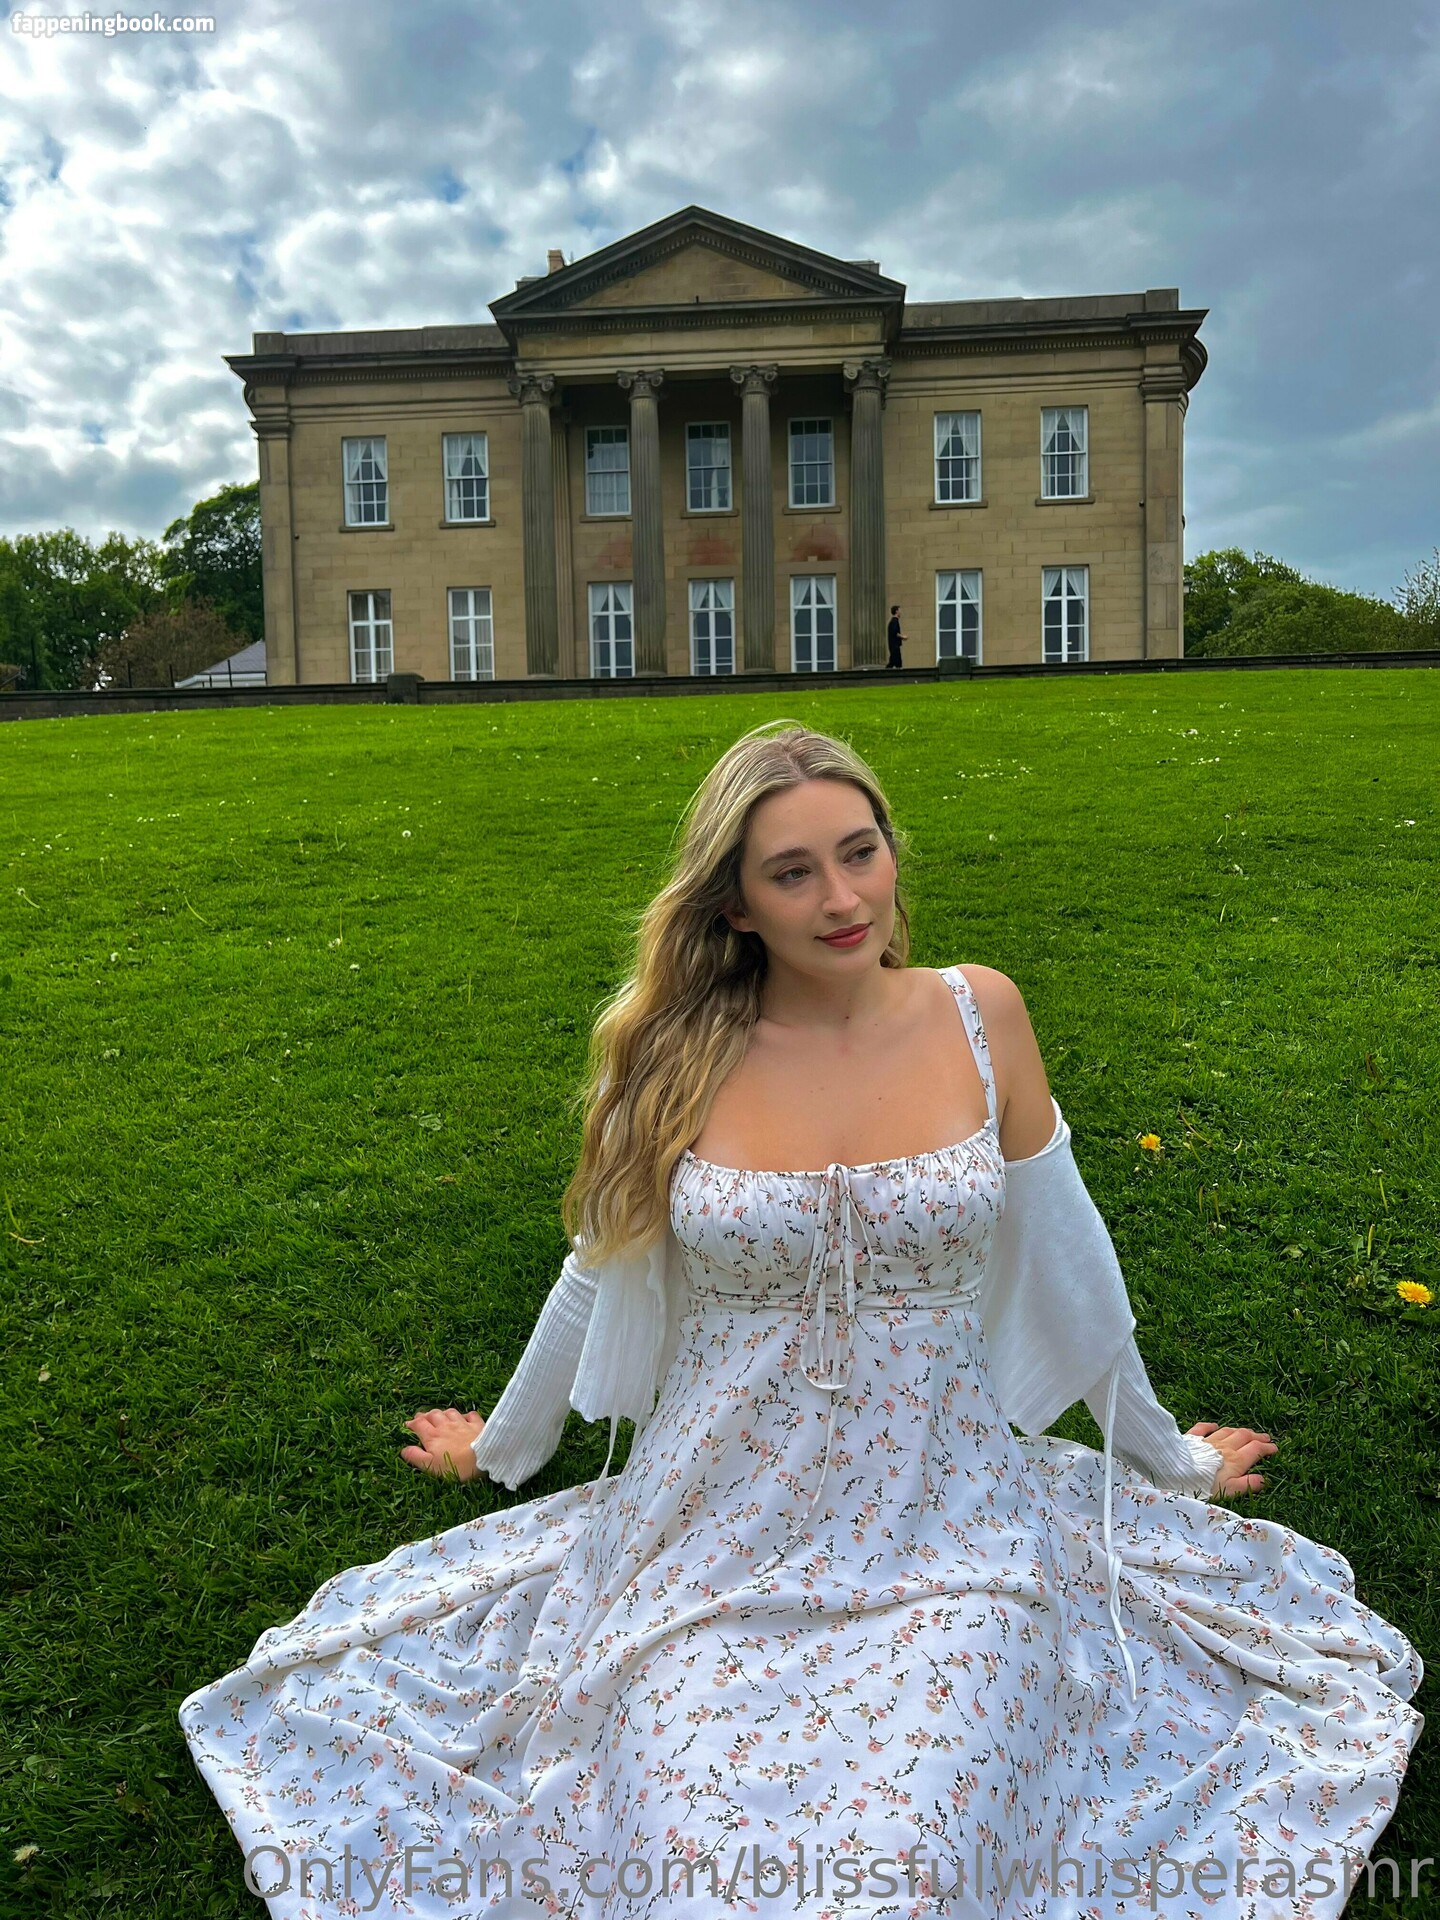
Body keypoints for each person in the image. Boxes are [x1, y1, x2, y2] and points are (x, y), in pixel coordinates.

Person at [179, 720, 1423, 1919]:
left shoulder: (981, 1015)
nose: (842, 898)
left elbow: (1070, 1260)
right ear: (735, 904)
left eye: (860, 852)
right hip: (710, 1531)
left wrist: (1171, 1462)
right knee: (693, 1850)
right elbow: (595, 1267)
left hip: (951, 1525)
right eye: (793, 872)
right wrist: (501, 1448)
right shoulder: (669, 1054)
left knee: (921, 1841)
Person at [886, 603, 905, 669]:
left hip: (893, 646)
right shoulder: (894, 621)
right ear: (896, 611)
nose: (900, 612)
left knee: (892, 662)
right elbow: (895, 632)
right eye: (899, 610)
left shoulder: (893, 621)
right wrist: (902, 637)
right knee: (897, 663)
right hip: (895, 646)